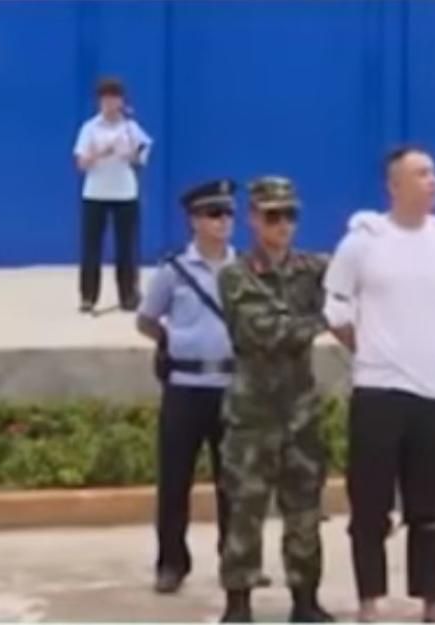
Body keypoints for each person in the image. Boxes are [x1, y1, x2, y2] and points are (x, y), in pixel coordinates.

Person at [323, 146, 435, 623]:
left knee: (432, 506)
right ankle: (369, 600)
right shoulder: (363, 241)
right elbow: (335, 309)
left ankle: (432, 598)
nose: (433, 181)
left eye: (434, 172)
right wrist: (367, 347)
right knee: (370, 504)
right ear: (394, 186)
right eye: (421, 173)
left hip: (433, 391)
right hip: (379, 391)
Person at [217, 177, 333, 623]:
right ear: (253, 219)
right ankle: (238, 602)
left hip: (300, 414)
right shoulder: (236, 275)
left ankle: (305, 599)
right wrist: (321, 320)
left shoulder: (312, 268)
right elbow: (264, 332)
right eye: (272, 216)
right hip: (253, 416)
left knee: (305, 511)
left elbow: (357, 280)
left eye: (290, 215)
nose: (282, 225)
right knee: (245, 510)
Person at [136, 179, 236, 595]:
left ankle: (237, 558)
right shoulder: (173, 271)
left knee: (234, 481)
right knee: (175, 480)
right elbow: (146, 319)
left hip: (230, 386)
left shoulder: (245, 270)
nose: (223, 222)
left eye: (227, 214)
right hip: (185, 386)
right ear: (194, 221)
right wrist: (173, 342)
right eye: (213, 214)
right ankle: (171, 563)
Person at [74, 77, 152, 313]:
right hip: (95, 193)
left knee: (126, 247)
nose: (110, 104)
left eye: (114, 99)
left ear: (121, 101)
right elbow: (81, 163)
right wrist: (102, 152)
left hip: (125, 193)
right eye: (105, 99)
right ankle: (88, 296)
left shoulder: (130, 128)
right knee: (91, 247)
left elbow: (141, 156)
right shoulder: (90, 128)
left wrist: (131, 155)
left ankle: (128, 295)